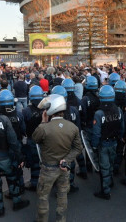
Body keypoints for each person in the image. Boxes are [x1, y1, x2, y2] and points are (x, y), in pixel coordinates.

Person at [32, 94, 83, 222]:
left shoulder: (44, 128)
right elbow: (78, 148)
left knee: (43, 197)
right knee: (62, 196)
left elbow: (35, 138)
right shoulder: (73, 127)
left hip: (48, 169)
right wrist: (67, 159)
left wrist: (43, 122)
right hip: (64, 167)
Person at [92, 85, 124, 199]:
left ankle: (105, 191)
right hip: (114, 142)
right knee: (110, 164)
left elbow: (96, 133)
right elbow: (122, 127)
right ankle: (110, 182)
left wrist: (94, 146)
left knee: (104, 167)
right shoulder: (118, 110)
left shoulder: (99, 113)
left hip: (104, 144)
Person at [0, 89, 27, 195]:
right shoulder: (18, 114)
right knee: (19, 167)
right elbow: (24, 130)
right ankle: (22, 186)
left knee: (9, 170)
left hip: (5, 147)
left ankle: (13, 191)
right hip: (17, 144)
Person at [22, 86, 44, 190]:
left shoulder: (26, 111)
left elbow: (23, 127)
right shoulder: (46, 108)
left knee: (35, 162)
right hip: (45, 139)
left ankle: (35, 183)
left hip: (32, 139)